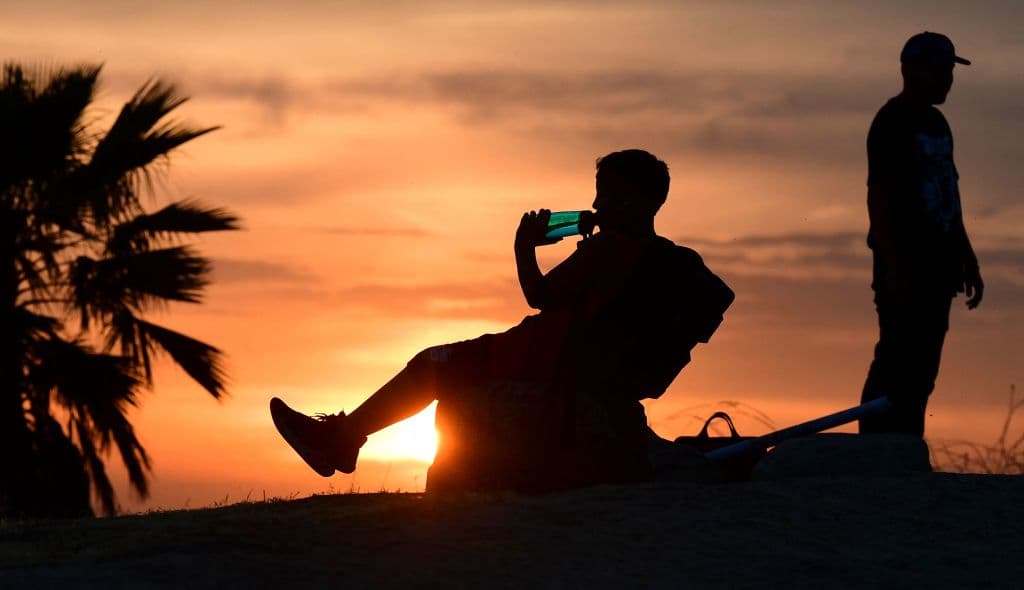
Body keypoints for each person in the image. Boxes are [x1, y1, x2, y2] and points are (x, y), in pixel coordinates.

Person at [270, 149, 733, 491]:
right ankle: (342, 436)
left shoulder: (609, 248)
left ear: (635, 200)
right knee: (436, 364)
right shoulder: (663, 258)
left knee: (431, 363)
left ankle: (341, 438)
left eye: (607, 195)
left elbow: (540, 296)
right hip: (580, 370)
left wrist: (524, 246)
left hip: (539, 358)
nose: (598, 205)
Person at [859, 32, 984, 437]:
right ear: (913, 71)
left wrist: (967, 257)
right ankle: (876, 446)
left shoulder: (937, 123)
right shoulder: (892, 122)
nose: (948, 79)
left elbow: (948, 189)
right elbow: (880, 198)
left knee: (924, 362)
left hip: (939, 266)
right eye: (941, 70)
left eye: (950, 71)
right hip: (905, 266)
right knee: (897, 357)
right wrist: (896, 267)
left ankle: (906, 441)